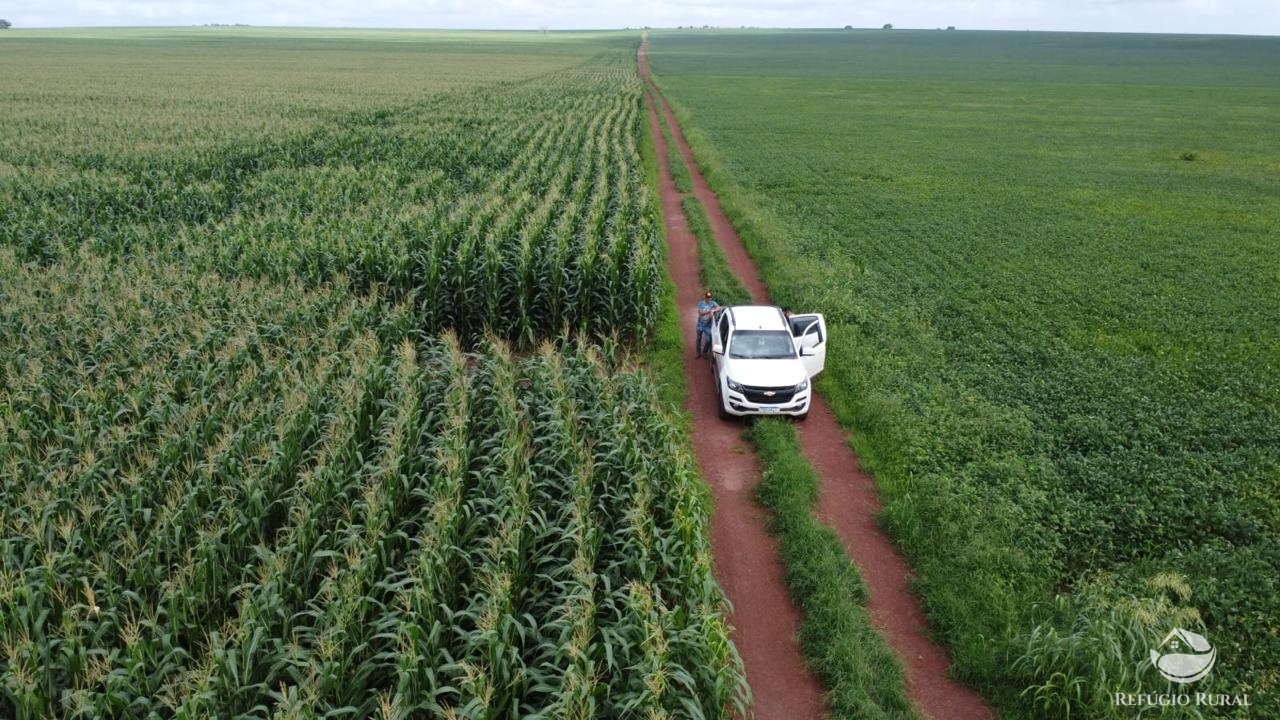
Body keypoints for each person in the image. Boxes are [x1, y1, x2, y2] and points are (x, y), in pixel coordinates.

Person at [695, 290, 719, 358]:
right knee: (698, 339)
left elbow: (719, 307)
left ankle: (705, 352)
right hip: (700, 324)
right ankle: (698, 353)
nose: (708, 299)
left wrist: (713, 310)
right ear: (705, 297)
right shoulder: (700, 303)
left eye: (710, 297)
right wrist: (710, 311)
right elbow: (700, 313)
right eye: (707, 297)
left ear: (711, 298)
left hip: (707, 325)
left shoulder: (713, 303)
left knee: (708, 340)